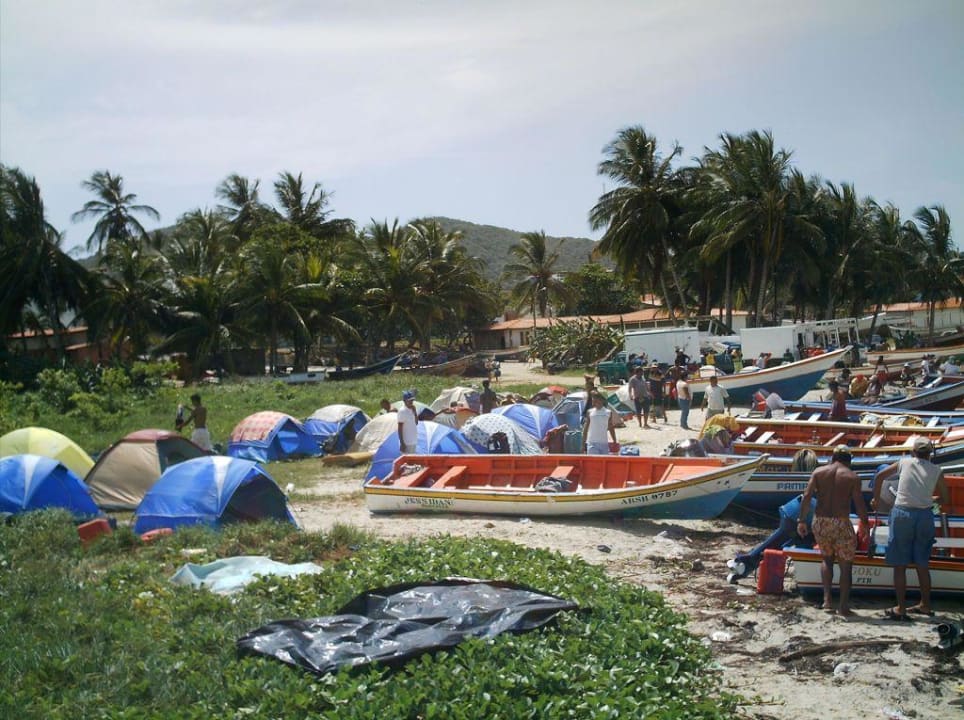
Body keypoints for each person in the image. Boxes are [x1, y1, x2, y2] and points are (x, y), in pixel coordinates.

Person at [872, 437, 950, 620]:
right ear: (929, 454)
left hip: (903, 514)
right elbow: (945, 498)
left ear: (913, 452)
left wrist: (876, 499)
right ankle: (925, 604)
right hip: (924, 516)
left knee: (900, 564)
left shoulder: (904, 462)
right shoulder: (937, 470)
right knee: (922, 564)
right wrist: (930, 500)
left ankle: (901, 607)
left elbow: (879, 477)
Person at [796, 446, 870, 616]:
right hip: (841, 522)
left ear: (833, 457)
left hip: (820, 521)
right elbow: (859, 504)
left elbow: (807, 496)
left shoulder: (818, 472)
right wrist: (865, 524)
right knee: (846, 566)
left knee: (827, 560)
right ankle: (843, 607)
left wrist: (801, 520)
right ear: (849, 460)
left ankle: (827, 600)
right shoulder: (852, 477)